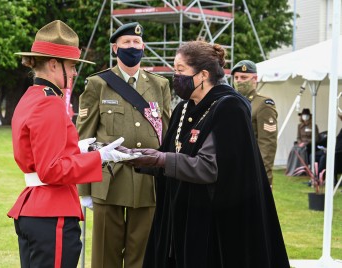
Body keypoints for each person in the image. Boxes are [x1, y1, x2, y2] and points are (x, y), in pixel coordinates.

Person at [119, 40, 289, 268]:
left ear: (202, 75)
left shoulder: (229, 108)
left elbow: (209, 167)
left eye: (180, 71)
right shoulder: (183, 109)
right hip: (177, 220)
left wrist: (161, 159)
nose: (175, 77)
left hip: (211, 226)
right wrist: (134, 157)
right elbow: (171, 155)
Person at [7, 20, 130, 268]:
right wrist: (99, 158)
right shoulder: (49, 103)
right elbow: (51, 169)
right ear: (54, 64)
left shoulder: (32, 96)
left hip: (36, 208)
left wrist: (80, 148)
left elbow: (38, 151)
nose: (75, 73)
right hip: (52, 212)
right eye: (72, 66)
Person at [76, 22, 171, 268]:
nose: (132, 47)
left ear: (144, 47)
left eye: (136, 43)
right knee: (105, 255)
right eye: (127, 43)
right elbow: (84, 138)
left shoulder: (159, 85)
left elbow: (167, 137)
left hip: (147, 180)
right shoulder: (98, 84)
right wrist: (84, 190)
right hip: (108, 180)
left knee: (142, 255)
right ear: (115, 48)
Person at [231, 60, 278, 186]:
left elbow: (267, 145)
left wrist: (263, 177)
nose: (239, 80)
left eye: (244, 77)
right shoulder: (231, 102)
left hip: (252, 171)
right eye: (236, 77)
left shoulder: (263, 104)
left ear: (254, 79)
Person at [285, 108, 320, 176]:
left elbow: (316, 138)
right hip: (301, 143)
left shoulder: (313, 126)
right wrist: (300, 142)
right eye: (304, 115)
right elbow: (298, 137)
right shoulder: (299, 126)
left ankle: (303, 170)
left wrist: (306, 143)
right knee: (294, 149)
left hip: (309, 144)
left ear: (309, 116)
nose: (305, 117)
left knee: (302, 150)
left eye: (306, 115)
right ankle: (293, 168)